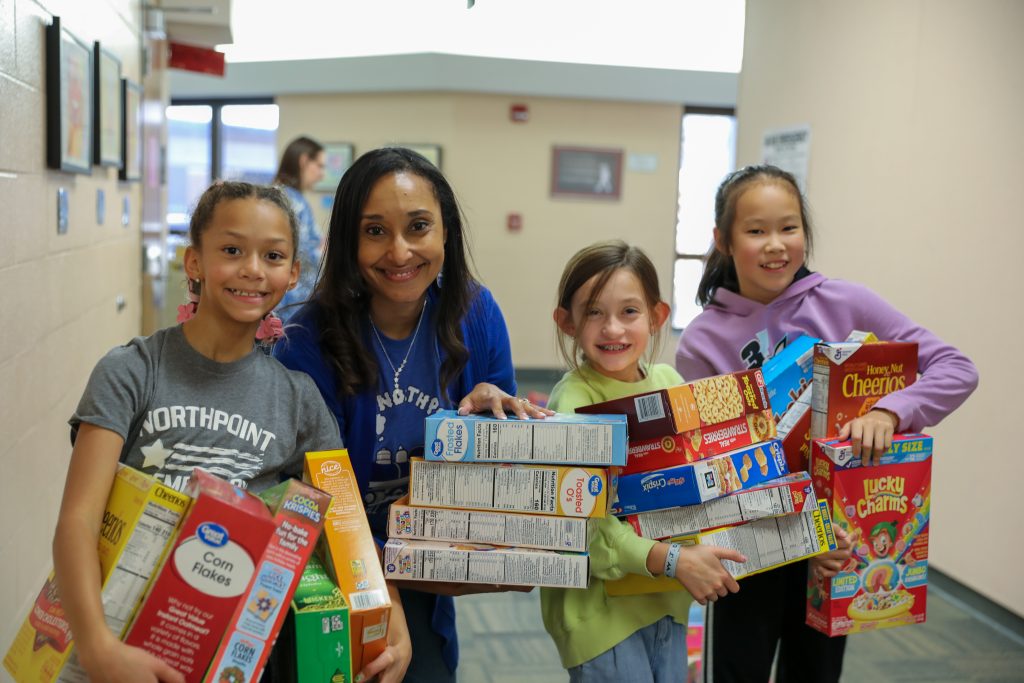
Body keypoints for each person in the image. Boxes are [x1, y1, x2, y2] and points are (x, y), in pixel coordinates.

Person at [51, 181, 379, 683]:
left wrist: (384, 613)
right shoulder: (131, 371)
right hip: (115, 646)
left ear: (292, 273)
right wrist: (96, 647)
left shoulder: (298, 399)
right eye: (231, 250)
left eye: (272, 255)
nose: (252, 268)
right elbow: (77, 521)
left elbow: (344, 532)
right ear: (195, 262)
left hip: (232, 658)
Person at [675, 164, 979, 683]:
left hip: (836, 544)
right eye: (756, 230)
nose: (776, 245)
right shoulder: (702, 341)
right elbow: (709, 462)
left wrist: (892, 410)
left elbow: (957, 369)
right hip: (750, 547)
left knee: (815, 674)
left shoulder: (847, 304)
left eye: (788, 227)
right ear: (723, 240)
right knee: (735, 671)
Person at [274, 147, 550, 682]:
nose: (399, 251)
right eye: (374, 231)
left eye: (418, 226)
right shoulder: (307, 339)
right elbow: (307, 491)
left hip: (424, 557)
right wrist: (381, 580)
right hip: (325, 559)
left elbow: (507, 475)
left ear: (446, 232)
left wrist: (492, 423)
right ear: (348, 242)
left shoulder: (476, 312)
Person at [542, 240, 748, 683]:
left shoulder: (669, 382)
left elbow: (699, 482)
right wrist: (673, 559)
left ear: (657, 317)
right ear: (567, 322)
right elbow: (582, 527)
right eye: (594, 312)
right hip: (599, 616)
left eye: (629, 312)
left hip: (667, 602)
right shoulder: (575, 399)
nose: (612, 328)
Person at [274, 136, 326, 320]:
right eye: (319, 166)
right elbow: (300, 253)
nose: (322, 174)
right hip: (291, 305)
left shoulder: (276, 195)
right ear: (304, 161)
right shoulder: (293, 202)